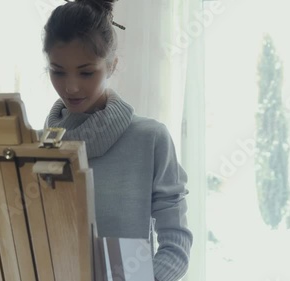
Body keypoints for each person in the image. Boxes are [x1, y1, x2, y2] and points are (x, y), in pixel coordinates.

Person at [42, 0, 192, 280]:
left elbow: (176, 246)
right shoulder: (36, 147)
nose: (71, 86)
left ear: (112, 66)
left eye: (86, 72)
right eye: (58, 71)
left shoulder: (150, 139)